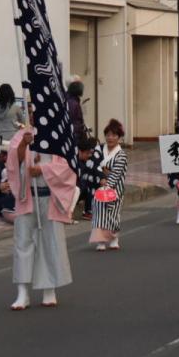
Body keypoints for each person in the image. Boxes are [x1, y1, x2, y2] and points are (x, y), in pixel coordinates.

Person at [5, 125, 77, 310]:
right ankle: (22, 292)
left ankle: (49, 288)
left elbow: (68, 166)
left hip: (50, 198)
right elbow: (13, 162)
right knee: (23, 243)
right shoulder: (22, 135)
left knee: (50, 242)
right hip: (27, 196)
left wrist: (43, 170)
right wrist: (24, 144)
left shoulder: (57, 134)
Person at [90, 119, 129, 251]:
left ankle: (114, 238)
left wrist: (108, 182)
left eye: (114, 135)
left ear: (119, 137)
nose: (110, 138)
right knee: (99, 214)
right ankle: (100, 241)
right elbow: (93, 165)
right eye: (108, 135)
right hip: (99, 187)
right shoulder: (98, 149)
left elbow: (117, 173)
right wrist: (101, 177)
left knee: (113, 214)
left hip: (115, 189)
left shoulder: (121, 155)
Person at [74, 136, 103, 223]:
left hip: (78, 190)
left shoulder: (87, 161)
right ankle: (88, 211)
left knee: (95, 183)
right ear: (80, 151)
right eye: (88, 153)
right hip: (73, 191)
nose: (90, 155)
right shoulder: (75, 163)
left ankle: (93, 210)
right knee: (89, 185)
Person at [67, 79, 86, 143]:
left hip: (74, 132)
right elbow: (72, 118)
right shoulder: (73, 103)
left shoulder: (71, 100)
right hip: (75, 133)